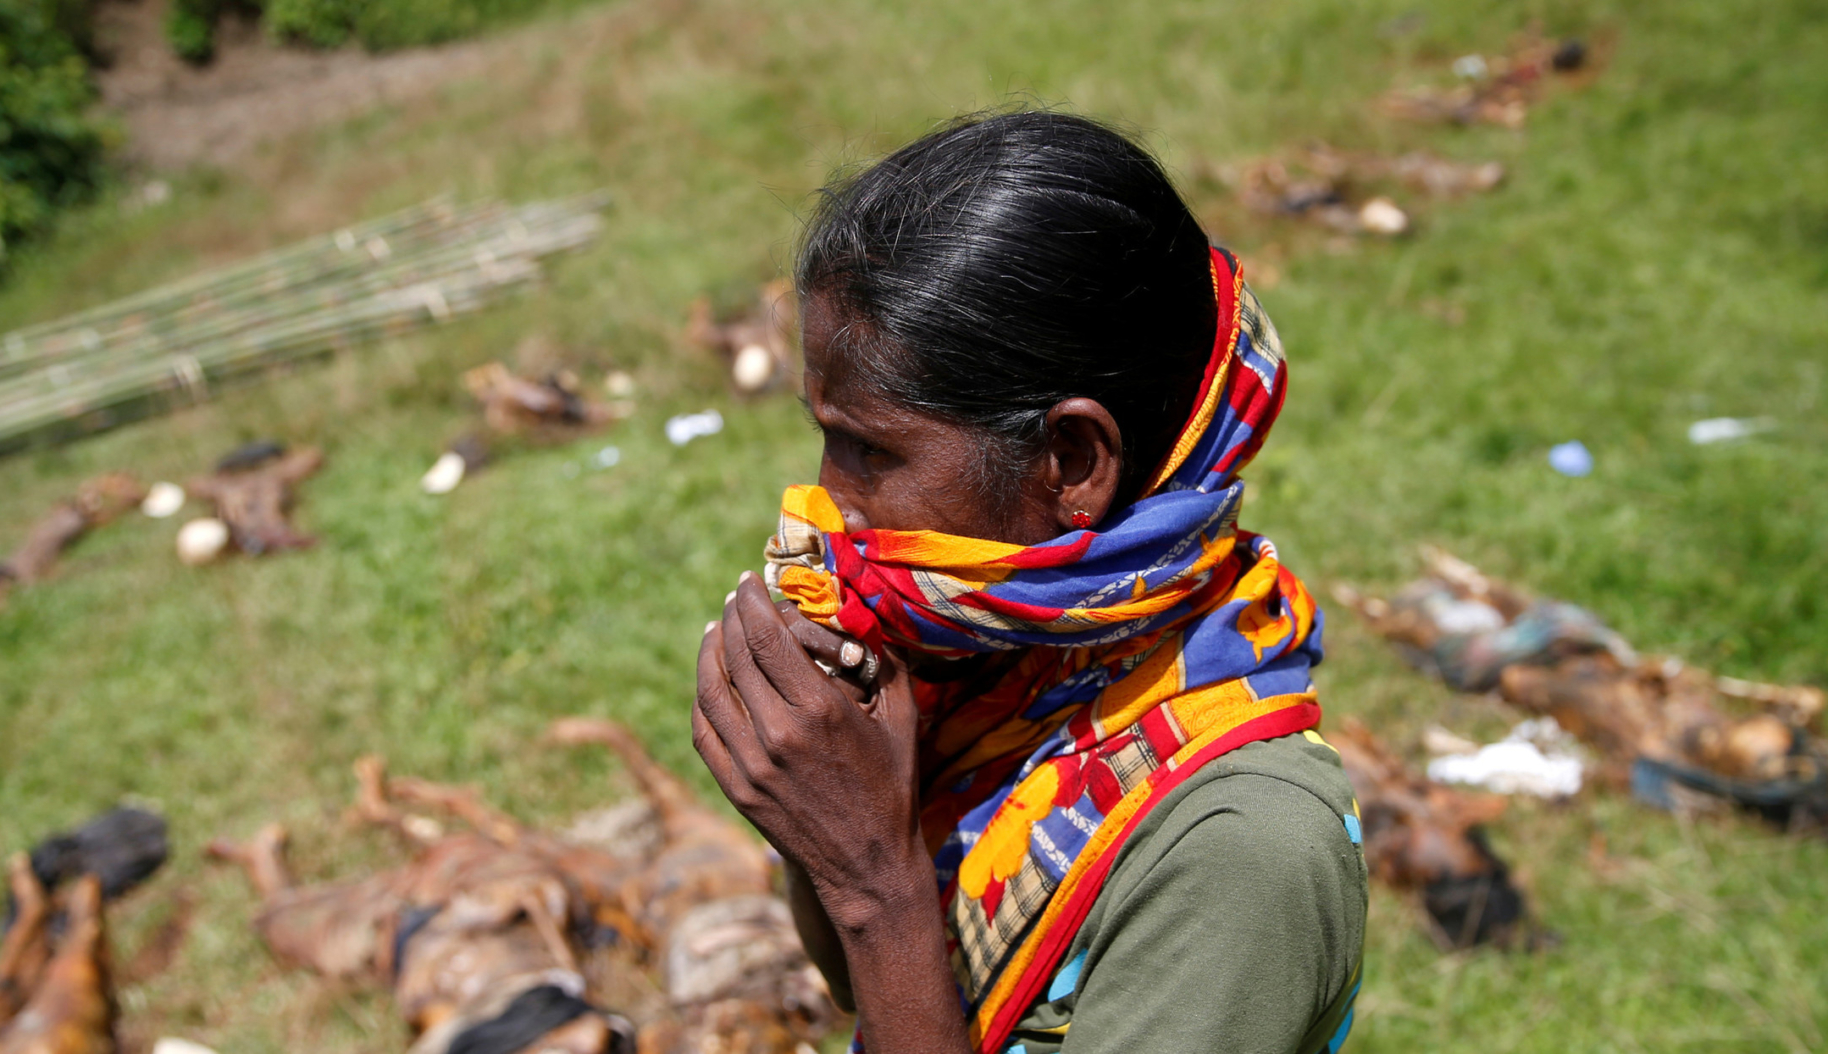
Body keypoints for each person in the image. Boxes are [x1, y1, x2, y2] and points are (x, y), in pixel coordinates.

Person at [694, 111, 1367, 1054]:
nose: (828, 503)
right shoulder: (995, 672)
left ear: (1073, 462)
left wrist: (873, 883)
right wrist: (825, 825)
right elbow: (871, 988)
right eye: (822, 434)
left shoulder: (1240, 852)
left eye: (870, 448)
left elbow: (884, 934)